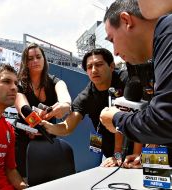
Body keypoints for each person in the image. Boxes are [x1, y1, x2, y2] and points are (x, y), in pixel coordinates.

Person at [41, 48, 141, 167]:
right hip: (112, 157)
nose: (94, 70)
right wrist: (47, 127)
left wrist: (138, 154)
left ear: (112, 66)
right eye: (89, 67)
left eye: (99, 64)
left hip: (140, 153)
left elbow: (142, 117)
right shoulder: (86, 97)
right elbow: (67, 127)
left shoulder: (128, 80)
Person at [100, 0, 172, 150]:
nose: (115, 52)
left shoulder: (167, 31)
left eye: (112, 40)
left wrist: (116, 119)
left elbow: (164, 121)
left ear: (126, 20)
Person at [14, 43, 72, 177]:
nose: (35, 61)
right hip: (23, 139)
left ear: (44, 59)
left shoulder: (55, 81)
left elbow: (65, 98)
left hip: (48, 136)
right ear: (25, 62)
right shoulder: (20, 85)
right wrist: (34, 124)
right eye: (30, 58)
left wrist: (64, 105)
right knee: (24, 179)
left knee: (48, 177)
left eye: (38, 57)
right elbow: (23, 109)